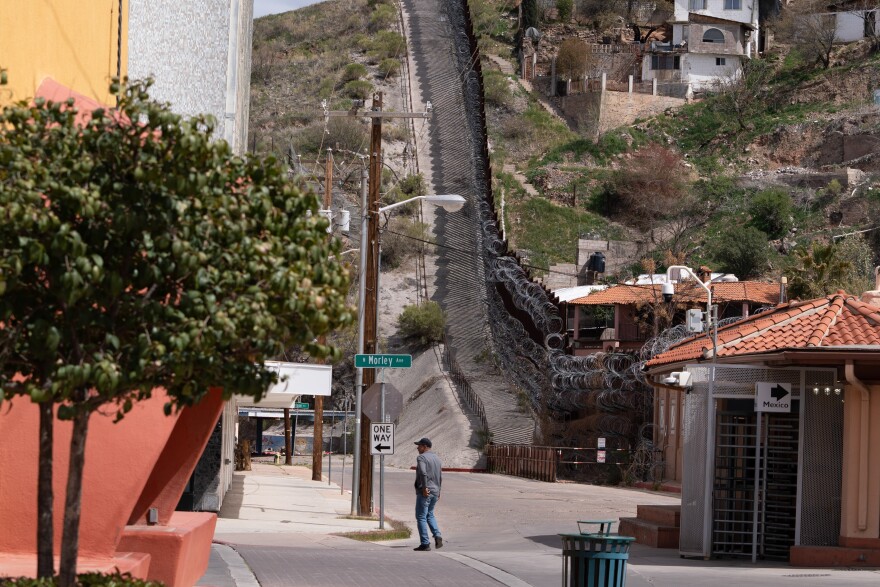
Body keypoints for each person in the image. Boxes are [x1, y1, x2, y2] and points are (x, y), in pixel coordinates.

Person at [413, 437, 442, 551]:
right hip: (435, 491)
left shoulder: (421, 457)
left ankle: (425, 543)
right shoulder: (437, 459)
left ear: (424, 447)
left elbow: (423, 473)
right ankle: (437, 535)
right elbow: (440, 476)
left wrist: (424, 488)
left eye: (419, 445)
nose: (417, 447)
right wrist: (439, 491)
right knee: (430, 514)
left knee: (421, 516)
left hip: (425, 491)